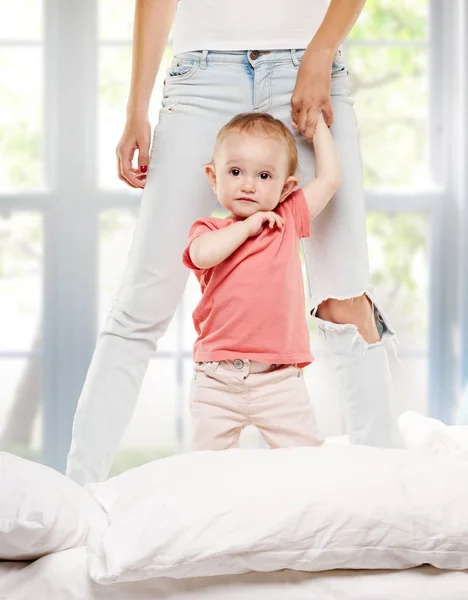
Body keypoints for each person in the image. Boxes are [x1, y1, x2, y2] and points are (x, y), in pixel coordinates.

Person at [66, 0, 403, 485]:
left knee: (343, 297)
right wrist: (136, 108)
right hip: (200, 76)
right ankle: (76, 493)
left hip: (306, 65)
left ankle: (388, 492)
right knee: (142, 304)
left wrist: (322, 51)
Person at [184, 111, 340, 450]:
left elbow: (329, 180)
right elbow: (201, 256)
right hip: (217, 378)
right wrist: (247, 227)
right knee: (203, 469)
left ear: (285, 188)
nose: (248, 184)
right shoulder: (210, 230)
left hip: (279, 379)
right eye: (235, 172)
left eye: (264, 175)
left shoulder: (288, 219)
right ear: (213, 177)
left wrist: (319, 130)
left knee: (306, 460)